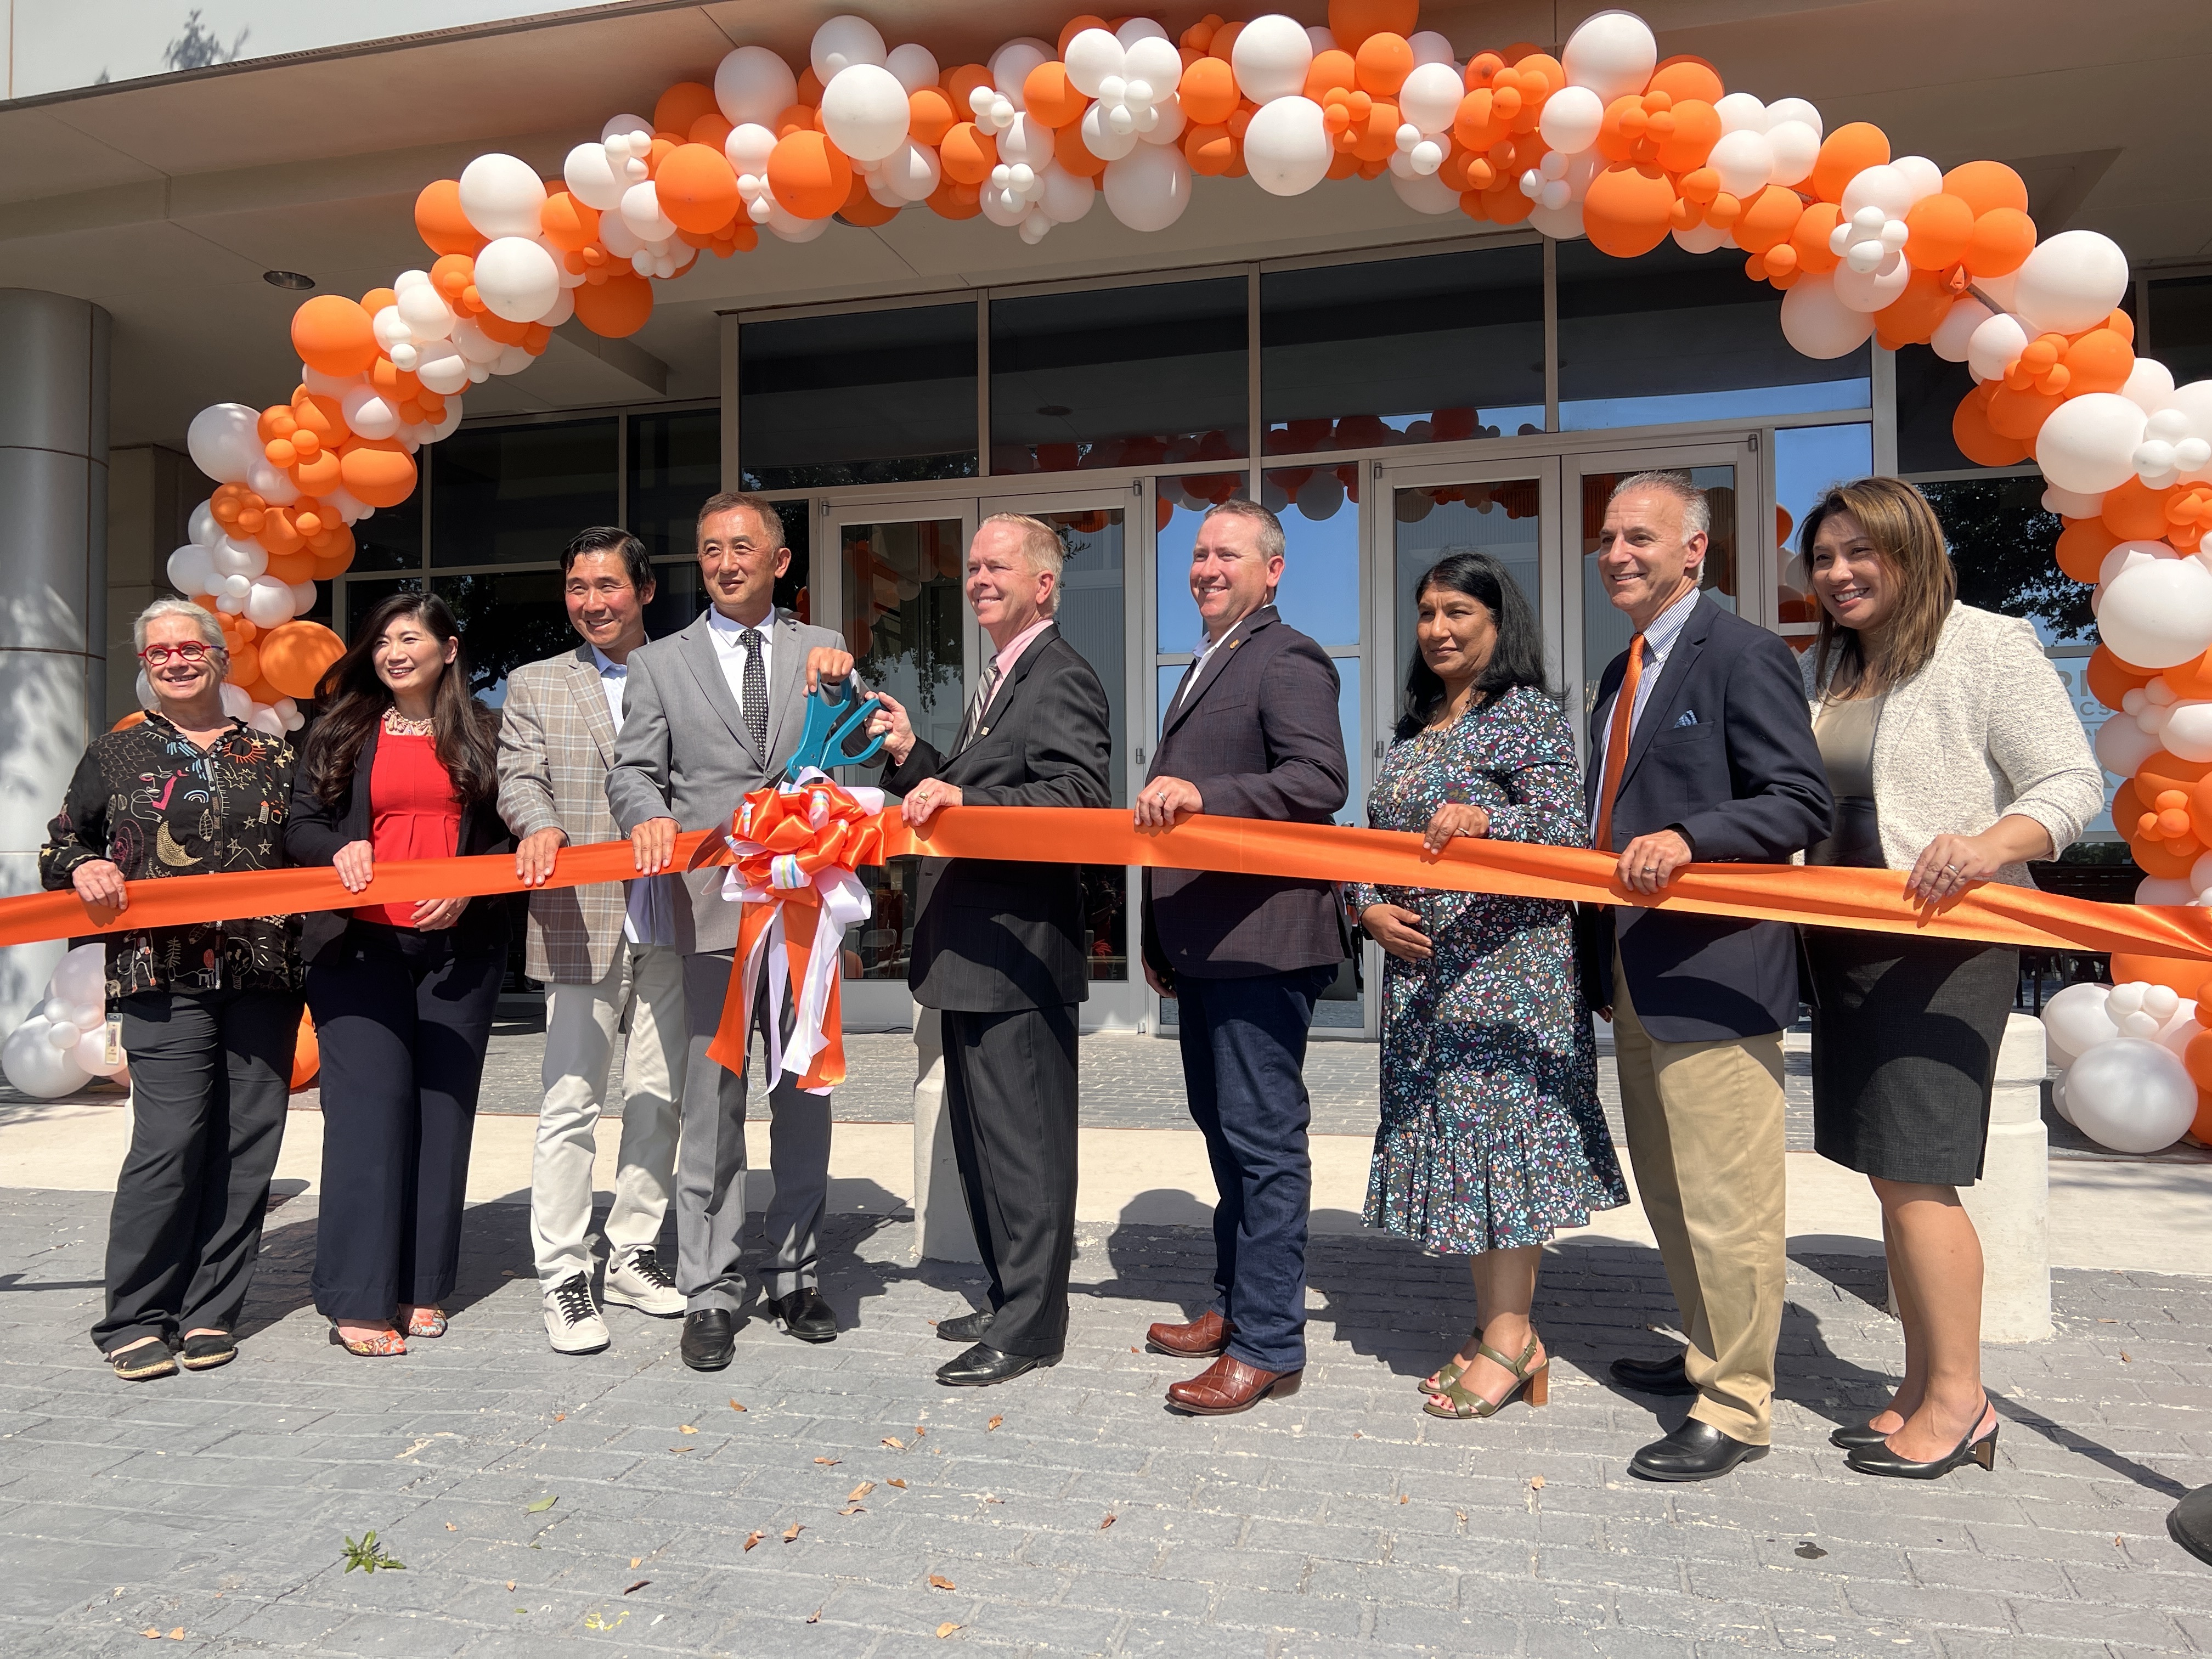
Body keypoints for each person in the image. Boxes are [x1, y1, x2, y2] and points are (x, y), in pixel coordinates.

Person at [1797, 477, 2100, 1479]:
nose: (1839, 574)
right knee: (1892, 1175)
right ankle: (1922, 1383)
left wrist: (1983, 843)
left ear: (1910, 548)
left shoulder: (1989, 644)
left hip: (1945, 944)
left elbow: (2069, 785)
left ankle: (1964, 1404)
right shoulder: (1830, 663)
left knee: (1922, 1175)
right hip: (1847, 944)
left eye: (1858, 553)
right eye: (1825, 558)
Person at [1583, 471, 1831, 1482]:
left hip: (1719, 972)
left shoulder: (1745, 653)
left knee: (1730, 1202)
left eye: (1640, 536)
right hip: (1636, 971)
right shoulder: (1621, 670)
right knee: (1674, 1192)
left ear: (1697, 550)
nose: (1617, 553)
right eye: (1607, 537)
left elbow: (1799, 801)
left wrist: (1691, 835)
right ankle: (1704, 1353)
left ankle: (1738, 1406)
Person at [1350, 554, 1627, 1421]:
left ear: (1501, 622)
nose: (1438, 628)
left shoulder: (1528, 717)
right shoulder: (1416, 725)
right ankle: (1499, 1330)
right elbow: (1372, 844)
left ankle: (1512, 1341)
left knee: (1501, 1151)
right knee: (1466, 1155)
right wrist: (1366, 909)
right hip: (1427, 979)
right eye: (1427, 612)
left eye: (1459, 611)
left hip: (1507, 980)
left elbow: (1566, 829)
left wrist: (1487, 819)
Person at [607, 491, 854, 1372]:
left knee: (803, 1098)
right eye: (710, 549)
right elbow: (634, 772)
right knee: (711, 1111)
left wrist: (848, 690)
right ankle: (710, 1288)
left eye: (743, 547)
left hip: (802, 916)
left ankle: (795, 1275)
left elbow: (856, 758)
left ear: (779, 562)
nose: (725, 562)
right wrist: (642, 816)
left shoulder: (824, 655)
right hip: (709, 910)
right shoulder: (659, 663)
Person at [866, 514, 1113, 1387]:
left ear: (1044, 584)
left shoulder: (1061, 676)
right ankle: (1013, 1291)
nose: (976, 580)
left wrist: (958, 798)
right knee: (982, 1147)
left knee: (1026, 1149)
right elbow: (976, 791)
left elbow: (1080, 800)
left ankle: (1033, 1328)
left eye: (994, 567)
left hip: (1017, 956)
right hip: (970, 955)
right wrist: (913, 757)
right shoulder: (1001, 677)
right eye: (971, 568)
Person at [40, 599, 302, 1380]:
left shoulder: (275, 756)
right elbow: (63, 843)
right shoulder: (116, 755)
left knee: (247, 1145)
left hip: (263, 974)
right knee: (168, 1146)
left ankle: (211, 1311)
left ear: (220, 658)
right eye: (160, 653)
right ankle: (135, 1315)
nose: (177, 660)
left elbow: (311, 847)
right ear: (146, 665)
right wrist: (80, 866)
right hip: (161, 977)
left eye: (192, 648)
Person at [1137, 497, 1350, 1415]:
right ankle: (1231, 1305)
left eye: (1227, 554)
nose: (1206, 568)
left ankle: (1269, 1342)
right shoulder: (1207, 661)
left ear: (1273, 569)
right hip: (1205, 946)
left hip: (1262, 948)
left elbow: (1319, 780)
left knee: (1263, 1145)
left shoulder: (1288, 655)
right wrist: (1156, 935)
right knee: (1226, 1139)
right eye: (1197, 554)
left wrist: (1206, 791)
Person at [285, 593, 512, 1358]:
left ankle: (420, 1286)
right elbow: (301, 823)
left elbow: (516, 831)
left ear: (449, 649)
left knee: (442, 1118)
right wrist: (332, 852)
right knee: (369, 1118)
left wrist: (472, 881)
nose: (393, 652)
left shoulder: (487, 732)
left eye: (410, 638)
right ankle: (355, 1296)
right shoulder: (340, 727)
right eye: (382, 640)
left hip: (458, 954)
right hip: (359, 951)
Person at [497, 527, 689, 1356]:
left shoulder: (686, 672)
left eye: (608, 586)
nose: (592, 602)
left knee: (659, 1097)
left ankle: (634, 1253)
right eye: (578, 587)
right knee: (571, 1102)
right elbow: (521, 777)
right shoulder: (537, 684)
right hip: (581, 916)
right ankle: (564, 1274)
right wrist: (537, 827)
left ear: (644, 591)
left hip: (679, 914)